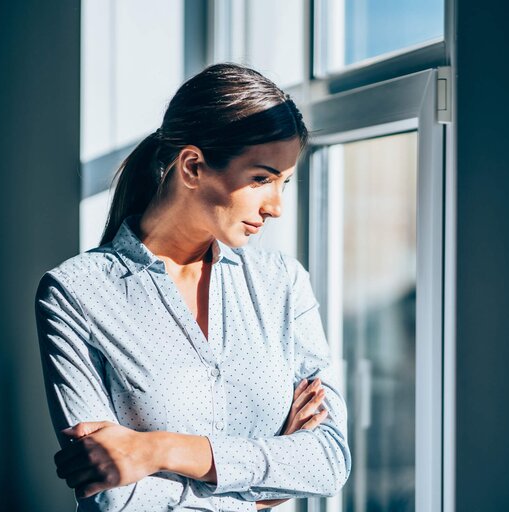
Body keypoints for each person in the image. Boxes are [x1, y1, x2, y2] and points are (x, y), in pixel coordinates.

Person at [35, 63, 351, 512]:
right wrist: (265, 492)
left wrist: (158, 450)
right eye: (261, 178)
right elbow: (117, 498)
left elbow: (328, 461)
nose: (277, 205)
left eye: (284, 181)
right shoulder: (75, 294)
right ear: (193, 166)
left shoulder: (283, 283)